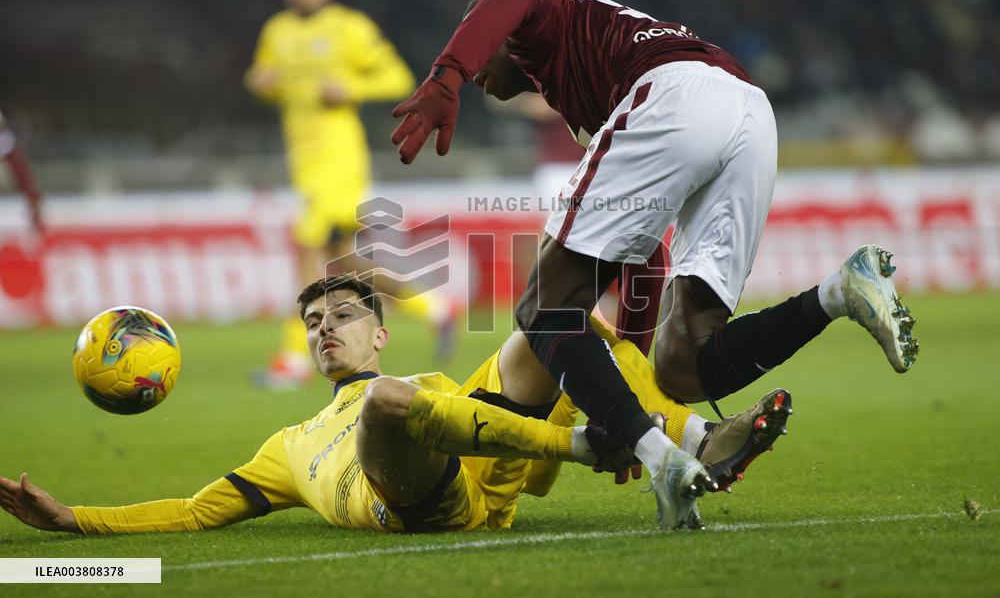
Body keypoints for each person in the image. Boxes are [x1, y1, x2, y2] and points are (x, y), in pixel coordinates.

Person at [391, 0, 918, 525]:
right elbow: (646, 259)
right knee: (684, 365)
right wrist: (625, 398)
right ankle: (839, 293)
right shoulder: (584, 90)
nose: (475, 74)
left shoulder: (539, 25)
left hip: (676, 95)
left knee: (545, 310)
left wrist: (445, 76)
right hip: (749, 113)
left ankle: (663, 460)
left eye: (475, 45)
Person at [0, 275, 791, 534]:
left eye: (340, 317)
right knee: (386, 407)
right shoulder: (288, 443)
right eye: (312, 325)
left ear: (379, 333)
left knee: (558, 316)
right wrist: (75, 525)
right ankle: (601, 444)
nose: (323, 331)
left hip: (481, 456)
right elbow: (193, 510)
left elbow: (485, 404)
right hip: (418, 494)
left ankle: (694, 435)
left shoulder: (435, 387)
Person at [244, 0, 454, 388]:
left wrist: (351, 87)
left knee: (307, 248)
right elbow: (261, 76)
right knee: (348, 267)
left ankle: (292, 359)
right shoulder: (277, 31)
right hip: (303, 161)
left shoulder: (349, 28)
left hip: (340, 161)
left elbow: (396, 77)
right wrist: (260, 84)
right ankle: (433, 307)